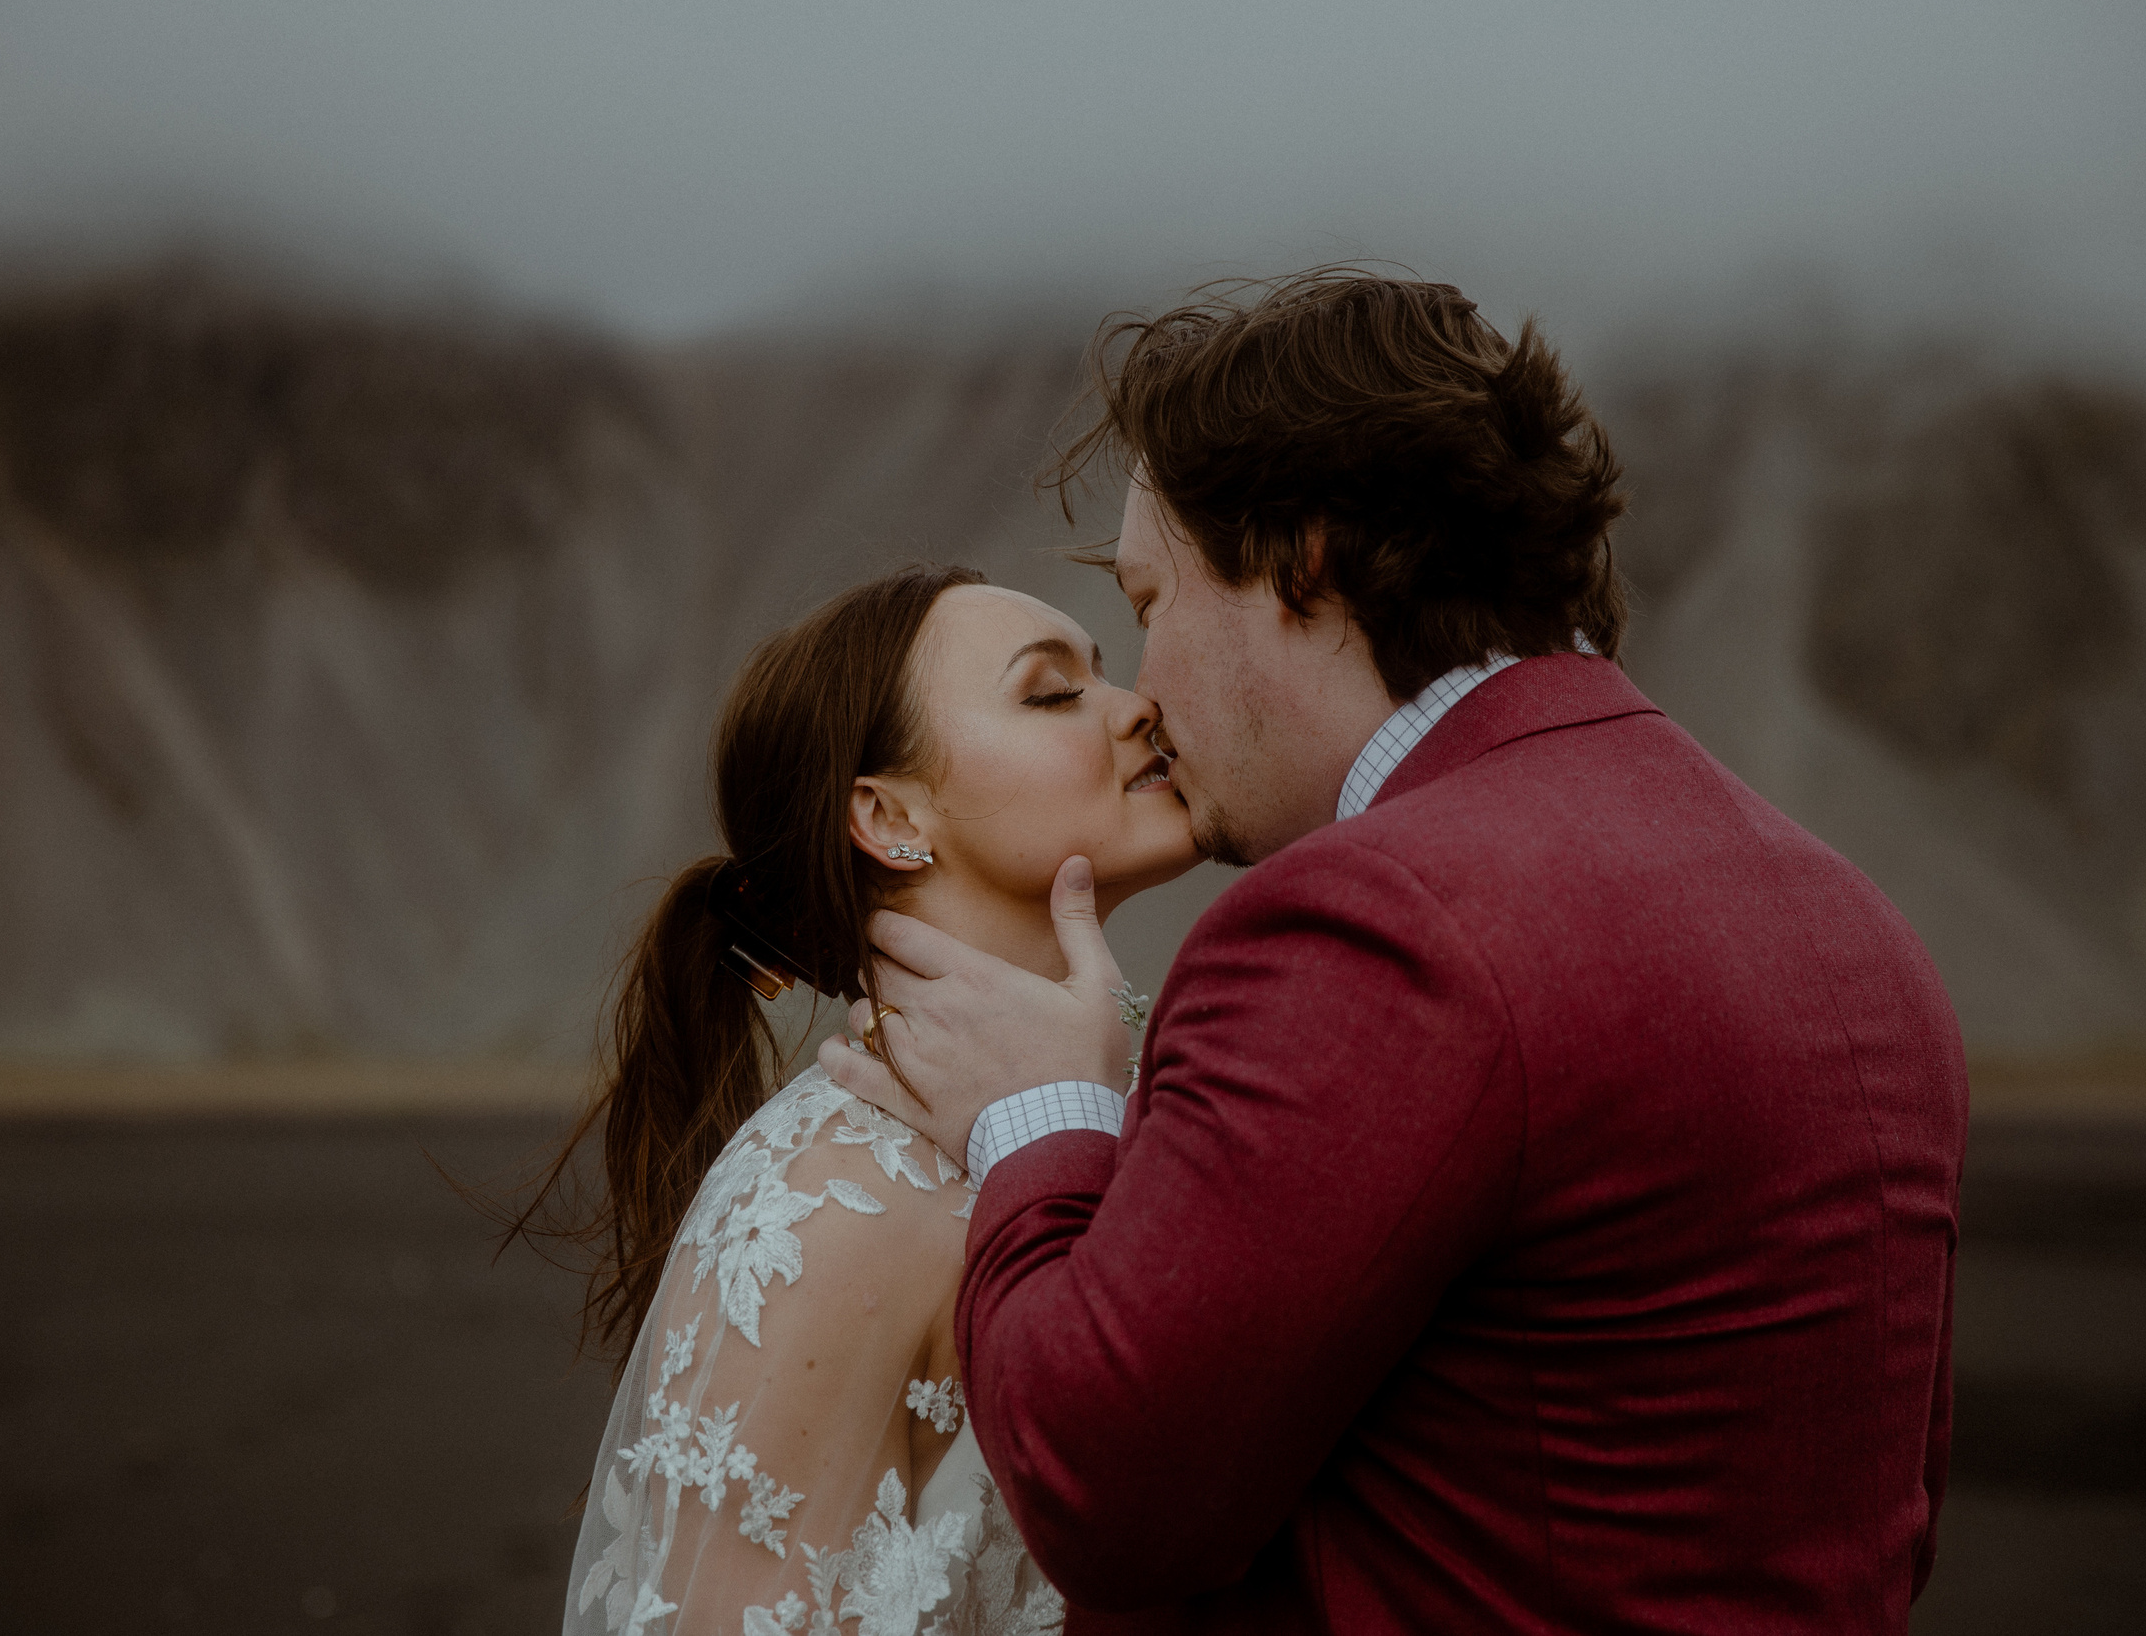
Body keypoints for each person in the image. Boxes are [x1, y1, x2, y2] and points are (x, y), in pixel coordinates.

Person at [826, 270, 1969, 1632]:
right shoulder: (1847, 916)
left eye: (1156, 599)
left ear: (1302, 561)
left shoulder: (1376, 922)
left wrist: (1041, 1113)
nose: (1149, 688)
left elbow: (1105, 1494)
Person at [521, 564, 1197, 1635]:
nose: (1140, 708)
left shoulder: (1163, 1097)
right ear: (886, 818)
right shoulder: (834, 1200)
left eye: (1106, 672)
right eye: (1053, 692)